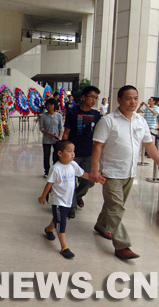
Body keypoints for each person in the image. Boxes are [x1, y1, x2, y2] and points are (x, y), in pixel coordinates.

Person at [90, 85, 159, 260]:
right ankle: (122, 246)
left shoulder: (140, 120)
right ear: (119, 100)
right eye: (128, 98)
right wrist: (94, 170)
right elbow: (97, 146)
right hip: (111, 173)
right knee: (116, 207)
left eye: (135, 98)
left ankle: (102, 226)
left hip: (130, 172)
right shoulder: (108, 121)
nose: (132, 102)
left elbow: (148, 144)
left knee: (113, 206)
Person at [38, 140, 105, 259]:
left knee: (59, 217)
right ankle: (64, 247)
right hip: (58, 200)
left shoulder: (73, 165)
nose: (73, 154)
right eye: (69, 151)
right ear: (59, 153)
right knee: (61, 222)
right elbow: (49, 184)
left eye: (73, 151)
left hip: (68, 200)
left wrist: (96, 178)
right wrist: (43, 197)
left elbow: (83, 174)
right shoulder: (55, 168)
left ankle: (49, 229)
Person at [63, 85, 102, 217]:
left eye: (96, 98)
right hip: (73, 153)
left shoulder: (97, 115)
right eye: (91, 97)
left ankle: (77, 195)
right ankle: (72, 207)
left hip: (88, 153)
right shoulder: (73, 112)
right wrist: (62, 150)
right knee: (70, 180)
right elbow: (66, 133)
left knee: (89, 181)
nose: (93, 100)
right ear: (83, 97)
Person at [40, 98, 63, 177]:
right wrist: (48, 133)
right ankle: (46, 171)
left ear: (54, 106)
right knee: (46, 155)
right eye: (48, 104)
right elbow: (41, 128)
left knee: (56, 155)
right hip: (46, 139)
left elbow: (61, 128)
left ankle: (55, 170)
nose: (49, 106)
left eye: (51, 104)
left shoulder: (59, 116)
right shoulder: (43, 116)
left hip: (56, 140)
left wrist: (59, 137)